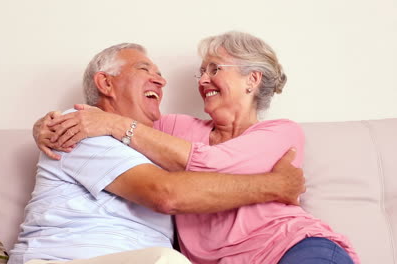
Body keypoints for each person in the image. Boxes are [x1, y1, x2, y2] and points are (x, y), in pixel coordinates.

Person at [38, 32, 360, 263]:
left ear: (253, 80)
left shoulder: (281, 133)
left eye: (215, 69)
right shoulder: (177, 129)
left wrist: (115, 124)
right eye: (201, 71)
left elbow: (211, 163)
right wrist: (45, 127)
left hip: (291, 249)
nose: (203, 80)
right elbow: (121, 120)